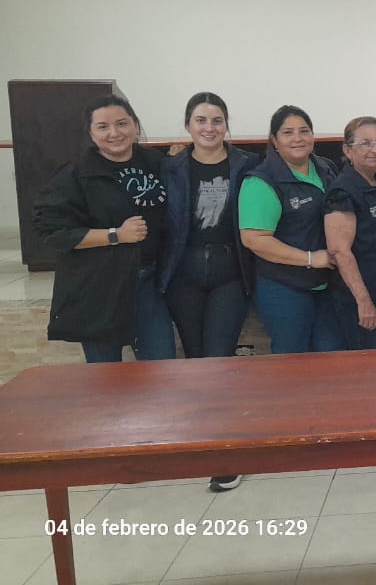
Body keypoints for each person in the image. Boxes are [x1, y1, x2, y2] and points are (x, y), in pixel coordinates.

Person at [158, 92, 259, 492]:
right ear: (188, 125)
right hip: (182, 272)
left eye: (217, 120)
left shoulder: (247, 165)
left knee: (219, 361)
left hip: (229, 272)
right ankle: (202, 440)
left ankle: (225, 455)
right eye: (200, 120)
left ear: (227, 124)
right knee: (195, 359)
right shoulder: (170, 166)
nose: (209, 128)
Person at [34, 94, 175, 363]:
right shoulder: (75, 174)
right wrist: (115, 235)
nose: (114, 133)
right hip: (98, 288)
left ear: (135, 125)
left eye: (122, 123)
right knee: (105, 375)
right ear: (90, 133)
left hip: (147, 282)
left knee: (162, 366)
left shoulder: (156, 163)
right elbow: (52, 232)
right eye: (103, 127)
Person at [238, 105, 342, 353]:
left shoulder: (326, 168)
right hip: (283, 287)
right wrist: (310, 259)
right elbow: (253, 239)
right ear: (274, 140)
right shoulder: (261, 181)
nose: (298, 138)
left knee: (333, 358)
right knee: (292, 362)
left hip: (327, 285)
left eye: (304, 131)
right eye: (288, 132)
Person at [324, 116, 376, 350]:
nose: (375, 150)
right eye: (366, 143)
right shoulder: (343, 191)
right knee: (367, 367)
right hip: (361, 305)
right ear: (347, 150)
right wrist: (363, 301)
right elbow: (339, 251)